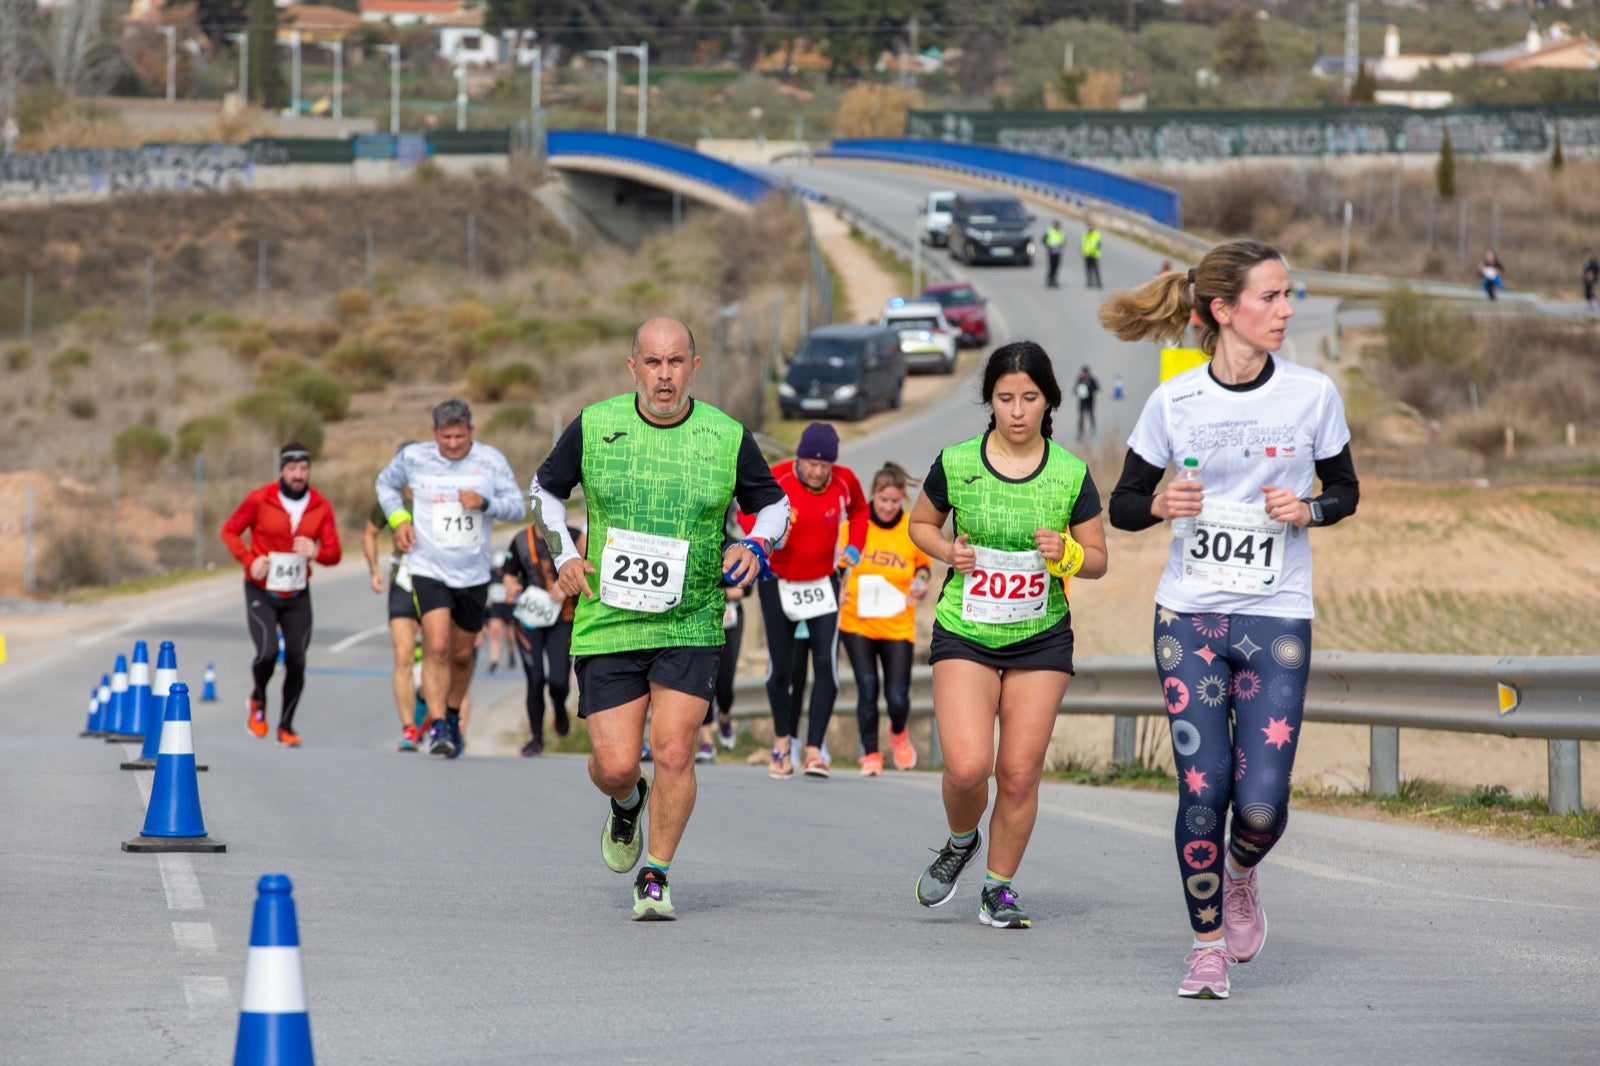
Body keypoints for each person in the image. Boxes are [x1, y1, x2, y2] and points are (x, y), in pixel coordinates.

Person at [1098, 239, 1360, 1000]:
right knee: (1203, 789)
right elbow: (1122, 505)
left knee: (1260, 807)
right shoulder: (1174, 401)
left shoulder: (1312, 394)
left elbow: (1345, 490)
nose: (1286, 310)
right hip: (1189, 618)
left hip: (1275, 617)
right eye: (1270, 297)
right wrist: (1159, 504)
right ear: (1222, 309)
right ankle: (1205, 946)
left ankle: (1241, 873)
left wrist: (1308, 509)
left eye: (1287, 295)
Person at [529, 316, 788, 920]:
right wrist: (564, 556)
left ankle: (657, 874)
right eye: (652, 362)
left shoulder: (725, 435)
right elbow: (543, 492)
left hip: (691, 618)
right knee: (617, 765)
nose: (664, 375)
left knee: (673, 751)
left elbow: (774, 505)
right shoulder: (596, 424)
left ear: (694, 368)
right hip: (609, 619)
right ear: (633, 367)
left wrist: (754, 547)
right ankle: (626, 803)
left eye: (675, 362)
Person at [906, 343, 1107, 930]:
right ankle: (960, 839)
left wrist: (1068, 553)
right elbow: (920, 524)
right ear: (989, 401)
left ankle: (999, 889)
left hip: (1040, 637)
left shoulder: (1070, 472)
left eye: (1030, 398)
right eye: (1005, 398)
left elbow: (1097, 559)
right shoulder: (957, 462)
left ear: (1049, 402)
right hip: (966, 629)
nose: (1017, 411)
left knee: (1018, 773)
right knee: (969, 768)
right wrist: (948, 551)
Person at [376, 399, 525, 758]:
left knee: (460, 655)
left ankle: (454, 714)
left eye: (460, 436)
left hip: (473, 574)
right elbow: (385, 485)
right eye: (447, 437)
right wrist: (399, 520)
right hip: (428, 568)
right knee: (437, 645)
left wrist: (486, 503)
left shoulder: (490, 460)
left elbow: (517, 507)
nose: (454, 444)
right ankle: (439, 724)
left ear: (471, 430)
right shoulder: (414, 458)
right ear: (434, 433)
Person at [747, 422, 868, 780]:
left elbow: (861, 512)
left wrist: (854, 545)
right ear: (798, 458)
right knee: (781, 668)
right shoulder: (777, 477)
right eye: (810, 463)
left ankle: (815, 749)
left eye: (824, 465)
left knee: (826, 664)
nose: (816, 471)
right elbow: (744, 510)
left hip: (823, 582)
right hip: (778, 582)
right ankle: (783, 744)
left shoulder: (845, 481)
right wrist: (764, 536)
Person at [220, 442, 342, 747]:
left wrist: (316, 551)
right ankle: (258, 698)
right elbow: (229, 531)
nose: (298, 475)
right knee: (268, 652)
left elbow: (334, 553)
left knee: (297, 660)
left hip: (297, 593)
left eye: (304, 468)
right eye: (292, 469)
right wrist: (250, 561)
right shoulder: (260, 499)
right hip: (262, 589)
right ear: (281, 470)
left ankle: (286, 726)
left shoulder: (320, 506)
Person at [839, 461, 931, 777]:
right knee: (867, 687)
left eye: (894, 501)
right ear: (872, 495)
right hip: (857, 622)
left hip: (897, 624)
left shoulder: (911, 529)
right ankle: (871, 754)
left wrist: (921, 583)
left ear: (902, 499)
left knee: (896, 697)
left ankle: (899, 732)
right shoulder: (855, 526)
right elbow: (836, 567)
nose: (889, 506)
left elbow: (923, 567)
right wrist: (837, 590)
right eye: (883, 500)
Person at [360, 440, 429, 751]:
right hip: (402, 581)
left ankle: (432, 708)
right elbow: (370, 532)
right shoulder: (392, 500)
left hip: (436, 581)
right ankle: (409, 728)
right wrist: (374, 569)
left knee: (436, 654)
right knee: (403, 656)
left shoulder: (439, 495)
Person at [501, 519, 582, 756]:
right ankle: (536, 739)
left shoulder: (574, 536)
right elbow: (509, 574)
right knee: (535, 678)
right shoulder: (521, 540)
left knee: (558, 681)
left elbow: (589, 565)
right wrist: (511, 587)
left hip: (563, 617)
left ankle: (559, 706)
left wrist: (567, 585)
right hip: (530, 618)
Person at [484, 550, 516, 673]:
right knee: (495, 632)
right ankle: (494, 661)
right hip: (496, 607)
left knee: (509, 635)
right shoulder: (491, 576)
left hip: (508, 607)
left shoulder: (511, 575)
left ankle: (511, 651)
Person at [1074, 365, 1100, 441]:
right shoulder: (1080, 380)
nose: (1085, 374)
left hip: (1090, 401)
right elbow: (1074, 390)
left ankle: (1093, 430)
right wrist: (1079, 391)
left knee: (1091, 415)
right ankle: (1080, 431)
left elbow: (1097, 388)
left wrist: (1090, 390)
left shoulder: (1091, 380)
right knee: (1081, 416)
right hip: (1082, 401)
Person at [1081, 219, 1104, 289]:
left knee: (1096, 269)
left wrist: (1091, 252)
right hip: (1087, 255)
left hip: (1094, 255)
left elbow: (1098, 245)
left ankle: (1098, 282)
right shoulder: (1085, 235)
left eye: (1090, 226)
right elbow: (1083, 244)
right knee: (1088, 269)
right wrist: (1083, 252)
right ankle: (1089, 282)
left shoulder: (1097, 234)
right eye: (1088, 226)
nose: (1089, 228)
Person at [1043, 220, 1065, 288]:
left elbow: (1064, 241)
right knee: (1051, 267)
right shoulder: (1049, 231)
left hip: (1058, 252)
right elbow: (1043, 240)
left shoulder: (1061, 232)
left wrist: (1061, 245)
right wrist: (1048, 247)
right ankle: (1049, 280)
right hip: (1051, 252)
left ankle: (1055, 281)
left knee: (1056, 267)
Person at [1581, 246, 1598, 313]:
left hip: (1593, 279)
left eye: (1588, 254)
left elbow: (1597, 270)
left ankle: (1593, 304)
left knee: (1592, 291)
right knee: (1587, 292)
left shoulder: (1594, 262)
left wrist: (1593, 276)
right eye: (1585, 254)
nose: (1587, 255)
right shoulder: (1585, 261)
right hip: (1587, 280)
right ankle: (1592, 304)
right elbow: (1585, 270)